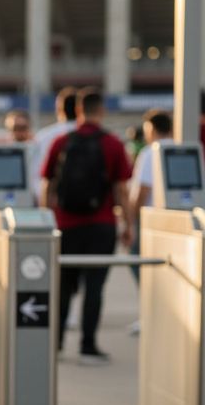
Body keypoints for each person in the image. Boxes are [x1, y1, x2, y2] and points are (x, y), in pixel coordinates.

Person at [40, 88, 132, 363]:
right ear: (100, 111)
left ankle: (55, 344)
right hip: (101, 226)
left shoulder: (61, 141)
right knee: (94, 287)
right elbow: (121, 190)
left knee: (63, 286)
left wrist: (48, 218)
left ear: (78, 110)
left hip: (66, 225)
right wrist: (128, 224)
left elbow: (48, 184)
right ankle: (88, 345)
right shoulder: (113, 144)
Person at [127, 109, 172, 334]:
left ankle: (151, 312)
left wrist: (130, 222)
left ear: (152, 129)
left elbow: (142, 191)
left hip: (150, 223)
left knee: (140, 265)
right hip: (175, 224)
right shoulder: (183, 149)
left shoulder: (149, 152)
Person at [30, 87, 78, 204]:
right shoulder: (98, 136)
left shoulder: (44, 137)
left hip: (54, 205)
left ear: (59, 109)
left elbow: (35, 176)